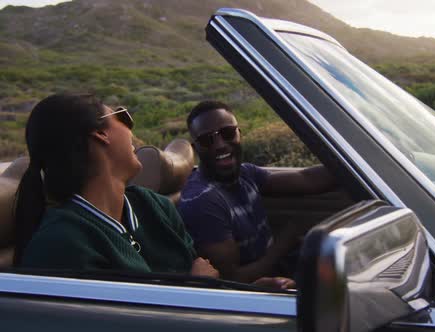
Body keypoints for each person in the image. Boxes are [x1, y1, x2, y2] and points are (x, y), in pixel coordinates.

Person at [14, 93, 292, 289]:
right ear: (101, 134)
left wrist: (252, 294)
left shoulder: (153, 206)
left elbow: (203, 279)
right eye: (122, 117)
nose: (130, 128)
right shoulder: (60, 245)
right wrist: (196, 288)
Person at [177, 100, 335, 284]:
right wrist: (285, 240)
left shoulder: (245, 173)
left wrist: (350, 162)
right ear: (196, 149)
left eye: (228, 133)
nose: (220, 145)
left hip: (281, 267)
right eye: (207, 140)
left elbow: (307, 180)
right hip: (261, 289)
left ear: (239, 134)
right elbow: (231, 279)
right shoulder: (203, 201)